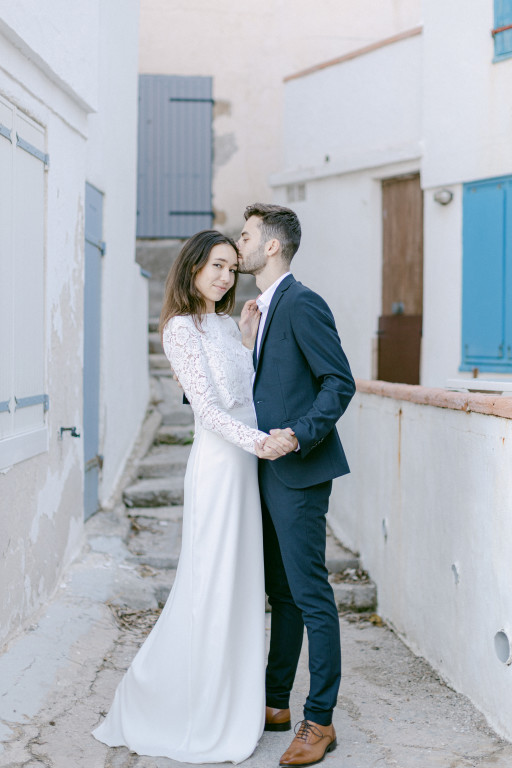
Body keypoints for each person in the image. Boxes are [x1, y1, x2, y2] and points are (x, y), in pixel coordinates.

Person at [92, 230, 291, 763]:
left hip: (246, 465)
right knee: (210, 583)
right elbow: (208, 409)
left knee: (240, 584)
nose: (226, 276)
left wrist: (246, 338)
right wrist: (261, 443)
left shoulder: (225, 324)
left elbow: (240, 388)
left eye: (231, 267)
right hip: (221, 465)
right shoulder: (179, 329)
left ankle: (232, 698)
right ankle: (180, 702)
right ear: (193, 269)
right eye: (216, 266)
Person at [237, 203, 355, 768]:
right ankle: (276, 703)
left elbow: (339, 382)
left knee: (311, 597)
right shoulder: (258, 309)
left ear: (273, 247)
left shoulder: (303, 302)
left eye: (246, 236)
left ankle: (320, 720)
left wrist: (298, 435)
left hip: (298, 471)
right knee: (279, 595)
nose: (240, 244)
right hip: (259, 470)